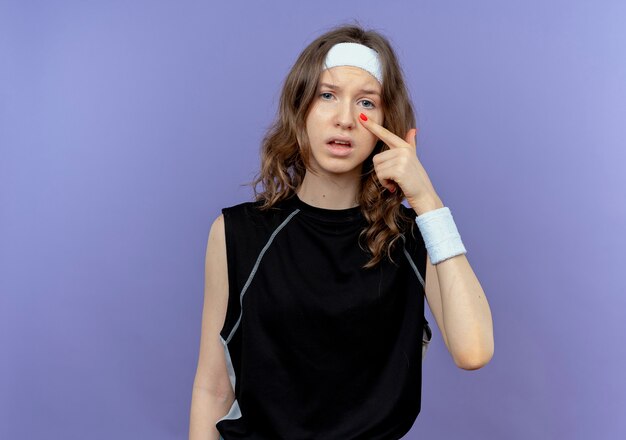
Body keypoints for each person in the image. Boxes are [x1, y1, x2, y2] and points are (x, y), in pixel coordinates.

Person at [189, 24, 494, 440]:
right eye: (327, 95)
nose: (346, 119)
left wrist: (426, 200)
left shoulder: (413, 239)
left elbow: (473, 350)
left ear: (386, 121)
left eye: (366, 101)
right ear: (301, 107)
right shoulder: (237, 233)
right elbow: (212, 388)